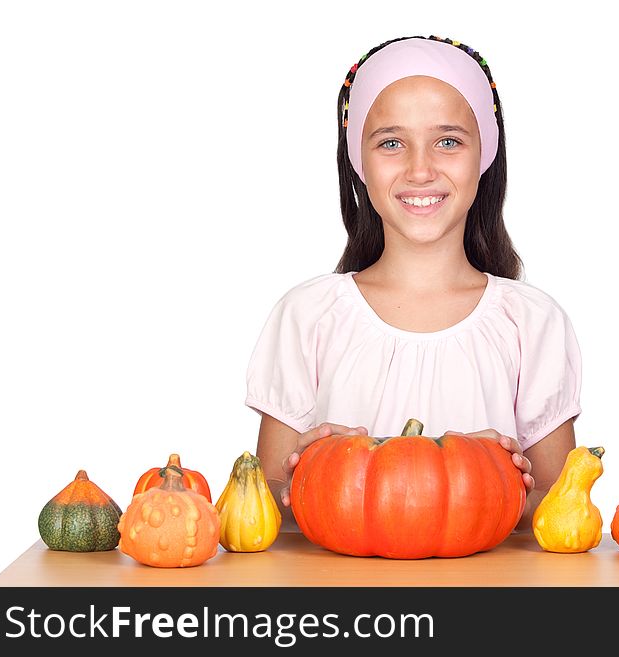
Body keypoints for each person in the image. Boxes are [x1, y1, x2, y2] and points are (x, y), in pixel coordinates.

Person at [245, 35, 582, 533]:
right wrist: (306, 470)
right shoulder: (308, 314)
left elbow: (559, 514)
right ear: (358, 162)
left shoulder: (532, 323)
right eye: (390, 142)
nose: (420, 169)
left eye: (448, 141)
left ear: (484, 155)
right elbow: (266, 511)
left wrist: (505, 477)